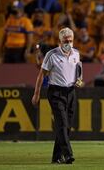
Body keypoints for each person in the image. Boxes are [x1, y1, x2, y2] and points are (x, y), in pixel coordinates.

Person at [32, 27, 83, 165]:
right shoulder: (52, 54)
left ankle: (56, 157)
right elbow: (42, 74)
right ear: (59, 41)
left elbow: (78, 68)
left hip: (71, 91)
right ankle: (68, 154)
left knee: (66, 127)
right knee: (62, 123)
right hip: (56, 92)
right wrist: (36, 94)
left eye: (71, 40)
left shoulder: (76, 54)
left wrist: (79, 80)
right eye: (66, 40)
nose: (68, 43)